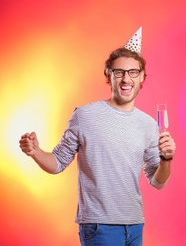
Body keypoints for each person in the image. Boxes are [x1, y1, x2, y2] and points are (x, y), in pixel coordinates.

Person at [19, 27, 176, 246]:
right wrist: (36, 152)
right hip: (99, 226)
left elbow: (157, 181)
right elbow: (58, 163)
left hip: (135, 224)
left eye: (133, 72)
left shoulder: (148, 124)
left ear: (141, 78)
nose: (126, 78)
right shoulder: (85, 116)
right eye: (119, 72)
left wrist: (166, 159)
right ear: (109, 76)